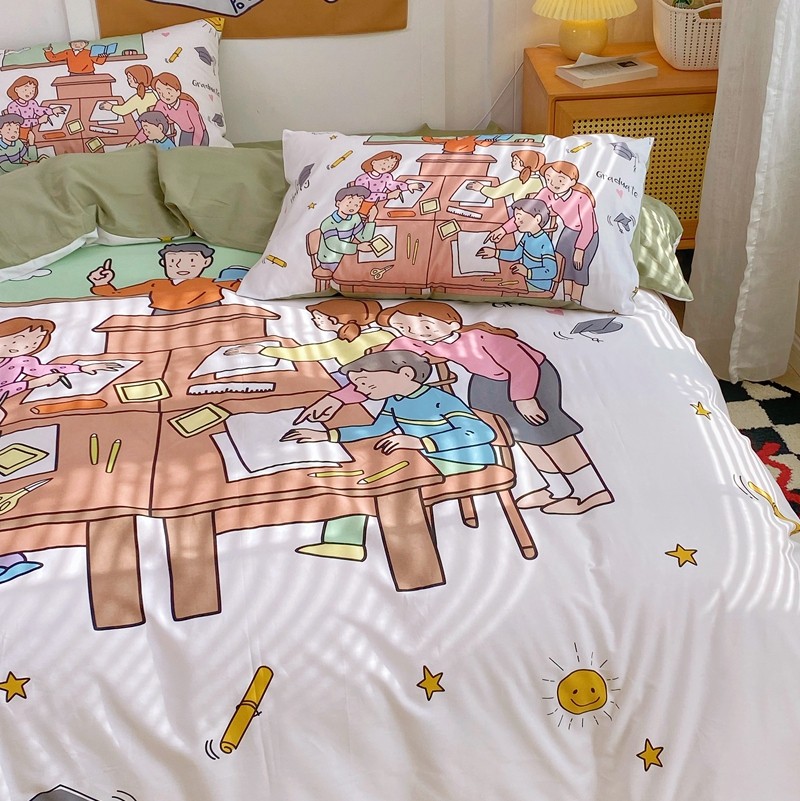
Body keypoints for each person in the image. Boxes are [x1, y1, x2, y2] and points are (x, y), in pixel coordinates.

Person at [296, 301, 613, 516]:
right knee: (518, 436)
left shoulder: (481, 337)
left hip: (531, 376)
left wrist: (524, 397)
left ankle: (591, 490)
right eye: (404, 328)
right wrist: (338, 398)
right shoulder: (412, 345)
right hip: (488, 380)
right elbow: (379, 373)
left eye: (424, 325)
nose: (415, 333)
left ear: (450, 321)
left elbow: (523, 364)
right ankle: (556, 488)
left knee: (550, 433)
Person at [283, 349, 498, 560]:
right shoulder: (395, 400)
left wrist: (420, 442)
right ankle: (343, 543)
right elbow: (376, 429)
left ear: (406, 374)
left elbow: (481, 433)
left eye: (366, 383)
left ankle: (403, 550)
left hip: (464, 459)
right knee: (361, 478)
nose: (361, 390)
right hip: (427, 459)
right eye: (357, 385)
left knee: (380, 482)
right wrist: (327, 435)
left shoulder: (440, 400)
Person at [486, 161, 599, 305]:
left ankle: (576, 301)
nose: (554, 183)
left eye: (560, 180)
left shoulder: (582, 198)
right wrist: (503, 230)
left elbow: (588, 227)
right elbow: (526, 214)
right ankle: (566, 299)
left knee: (578, 268)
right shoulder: (547, 193)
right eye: (549, 179)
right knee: (564, 268)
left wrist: (580, 249)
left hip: (588, 235)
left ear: (572, 181)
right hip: (568, 231)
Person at [224, 298, 394, 382]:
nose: (314, 320)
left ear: (333, 320)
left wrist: (261, 350)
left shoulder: (338, 345)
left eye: (318, 317)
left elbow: (303, 353)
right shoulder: (385, 334)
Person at [87, 243, 240, 314]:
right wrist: (101, 283)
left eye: (191, 260)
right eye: (173, 261)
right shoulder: (155, 284)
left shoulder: (212, 282)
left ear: (206, 262)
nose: (181, 265)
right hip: (163, 318)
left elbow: (239, 285)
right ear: (163, 263)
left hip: (206, 316)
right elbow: (117, 293)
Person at [0, 317, 120, 398]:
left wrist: (81, 368)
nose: (21, 347)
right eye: (15, 341)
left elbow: (43, 370)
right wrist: (33, 383)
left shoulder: (22, 361)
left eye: (33, 344)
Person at [478, 198, 558, 293]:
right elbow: (515, 255)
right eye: (516, 218)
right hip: (525, 280)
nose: (516, 222)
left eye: (520, 219)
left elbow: (551, 271)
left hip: (538, 286)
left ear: (537, 219)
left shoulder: (544, 242)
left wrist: (528, 272)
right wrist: (495, 253)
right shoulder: (527, 235)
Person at [130, 73, 208, 147]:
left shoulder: (188, 106)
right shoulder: (161, 104)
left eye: (168, 91)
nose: (164, 95)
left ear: (177, 92)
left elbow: (198, 128)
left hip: (200, 134)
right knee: (182, 153)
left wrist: (195, 147)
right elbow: (151, 123)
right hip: (185, 133)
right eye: (160, 92)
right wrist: (137, 140)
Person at [315, 186, 378, 277]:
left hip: (346, 256)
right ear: (338, 203)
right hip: (330, 261)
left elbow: (363, 238)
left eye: (357, 204)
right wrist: (358, 247)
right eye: (349, 203)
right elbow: (334, 245)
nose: (353, 207)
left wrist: (371, 220)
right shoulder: (328, 223)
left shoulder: (355, 217)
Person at [466, 150, 546, 212]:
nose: (512, 162)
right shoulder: (538, 180)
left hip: (521, 212)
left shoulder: (519, 182)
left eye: (515, 160)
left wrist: (480, 187)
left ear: (522, 163)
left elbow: (496, 193)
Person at [353, 150, 425, 215]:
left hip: (377, 203)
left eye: (391, 165)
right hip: (361, 205)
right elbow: (366, 196)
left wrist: (408, 186)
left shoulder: (386, 176)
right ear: (373, 162)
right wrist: (388, 196)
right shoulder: (362, 179)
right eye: (384, 162)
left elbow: (392, 184)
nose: (386, 166)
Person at [5, 76, 66, 141]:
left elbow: (39, 110)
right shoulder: (13, 106)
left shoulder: (32, 102)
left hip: (32, 128)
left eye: (32, 91)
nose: (28, 93)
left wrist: (52, 111)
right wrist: (38, 121)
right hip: (18, 132)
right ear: (16, 89)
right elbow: (21, 122)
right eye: (25, 90)